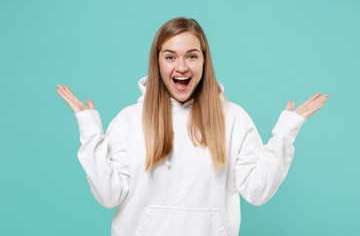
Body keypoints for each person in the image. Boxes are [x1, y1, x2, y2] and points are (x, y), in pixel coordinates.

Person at [56, 17, 329, 236]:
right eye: (170, 56)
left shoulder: (233, 118)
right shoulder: (129, 120)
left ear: (204, 61)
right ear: (157, 62)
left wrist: (284, 135)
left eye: (192, 56)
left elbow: (257, 192)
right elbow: (108, 195)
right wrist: (91, 134)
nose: (182, 67)